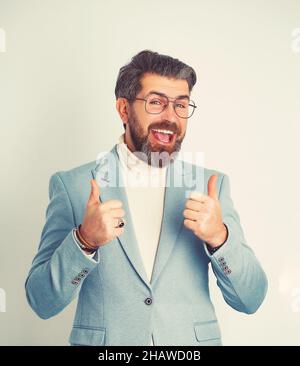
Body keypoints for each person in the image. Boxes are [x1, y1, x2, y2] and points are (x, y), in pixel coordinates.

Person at [25, 50, 268, 346]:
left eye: (180, 105)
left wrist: (220, 237)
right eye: (156, 102)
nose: (171, 117)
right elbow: (41, 301)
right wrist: (83, 241)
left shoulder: (209, 187)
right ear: (123, 109)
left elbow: (251, 299)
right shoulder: (73, 186)